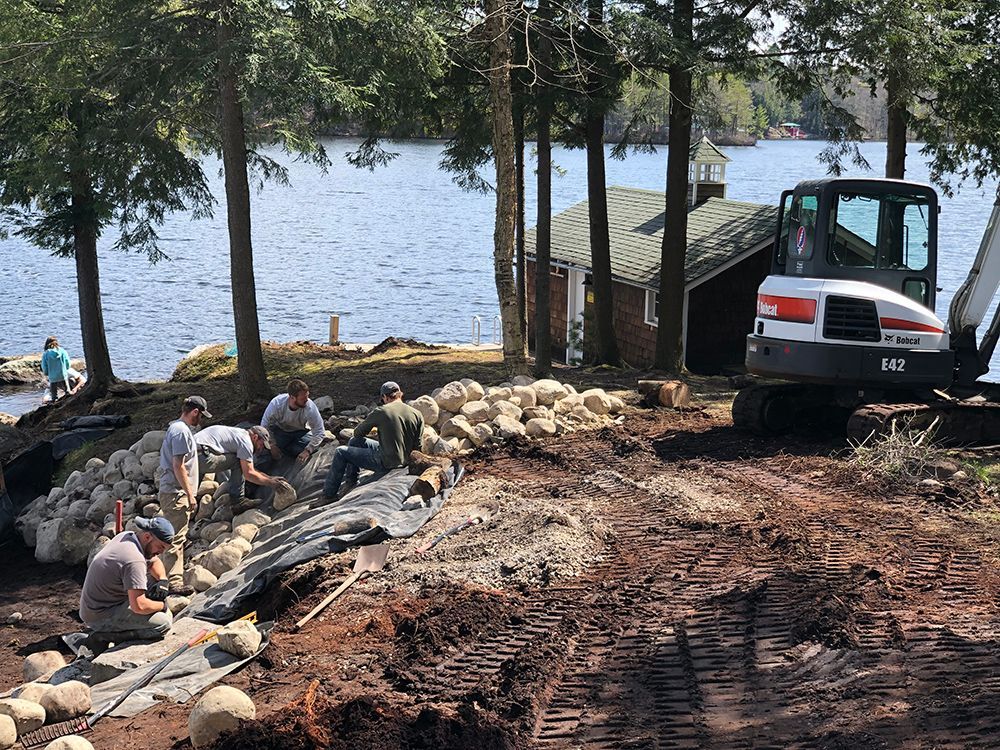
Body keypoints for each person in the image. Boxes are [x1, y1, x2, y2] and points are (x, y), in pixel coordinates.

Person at [322, 381, 424, 501]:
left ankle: (329, 495)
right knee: (355, 442)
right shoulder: (417, 414)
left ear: (384, 397)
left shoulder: (382, 411)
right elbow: (418, 446)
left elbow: (358, 432)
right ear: (400, 395)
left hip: (386, 462)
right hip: (406, 460)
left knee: (341, 451)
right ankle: (351, 482)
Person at [79, 517, 176, 642]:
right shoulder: (134, 560)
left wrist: (163, 580)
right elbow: (139, 606)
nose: (161, 552)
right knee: (164, 623)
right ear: (147, 537)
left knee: (154, 583)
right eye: (160, 547)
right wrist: (162, 605)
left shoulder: (127, 536)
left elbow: (154, 561)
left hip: (97, 604)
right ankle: (104, 637)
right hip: (99, 616)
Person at [158, 395, 211, 596]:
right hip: (176, 493)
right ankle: (173, 583)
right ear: (195, 412)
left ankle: (166, 577)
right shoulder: (181, 432)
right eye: (201, 415)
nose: (201, 420)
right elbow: (178, 466)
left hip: (172, 491)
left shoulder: (176, 428)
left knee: (176, 536)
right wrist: (190, 495)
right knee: (175, 538)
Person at [196, 424, 283, 510]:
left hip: (190, 455)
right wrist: (271, 483)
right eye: (261, 444)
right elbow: (249, 473)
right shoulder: (246, 442)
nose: (261, 449)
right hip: (203, 456)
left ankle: (192, 501)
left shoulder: (238, 434)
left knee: (189, 491)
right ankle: (238, 502)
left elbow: (249, 469)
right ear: (255, 437)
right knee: (237, 461)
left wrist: (270, 478)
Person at [260, 379, 324, 466]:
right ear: (292, 397)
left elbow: (319, 431)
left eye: (307, 396)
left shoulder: (310, 407)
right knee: (265, 449)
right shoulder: (277, 404)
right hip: (280, 431)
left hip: (300, 433)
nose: (306, 400)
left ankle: (287, 450)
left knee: (311, 448)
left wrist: (307, 451)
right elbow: (264, 426)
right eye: (303, 398)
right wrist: (271, 445)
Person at [40, 336, 81, 401]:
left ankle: (55, 401)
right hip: (63, 375)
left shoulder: (46, 354)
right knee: (67, 391)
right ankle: (68, 399)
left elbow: (44, 366)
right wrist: (66, 369)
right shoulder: (62, 351)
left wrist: (46, 373)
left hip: (52, 377)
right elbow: (68, 363)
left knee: (54, 394)